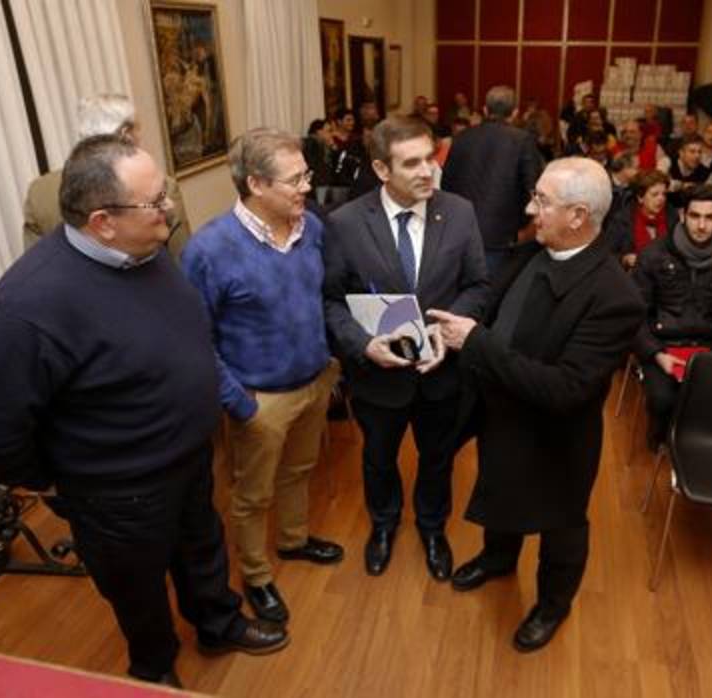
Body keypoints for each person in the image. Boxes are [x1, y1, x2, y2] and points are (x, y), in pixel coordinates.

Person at [0, 135, 286, 687]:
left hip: (187, 460)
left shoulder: (144, 251)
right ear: (102, 221)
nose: (169, 209)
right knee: (138, 590)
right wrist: (61, 480)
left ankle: (217, 622)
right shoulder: (29, 308)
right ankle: (153, 671)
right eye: (155, 202)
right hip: (118, 491)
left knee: (203, 551)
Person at [429, 157, 644, 653]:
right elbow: (492, 308)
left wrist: (475, 342)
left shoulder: (616, 296)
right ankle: (498, 559)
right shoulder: (532, 251)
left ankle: (552, 605)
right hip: (502, 412)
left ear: (578, 216)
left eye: (542, 201)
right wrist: (450, 334)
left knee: (560, 525)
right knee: (501, 488)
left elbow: (566, 388)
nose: (529, 208)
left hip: (556, 438)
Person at [182, 128, 344, 625]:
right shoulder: (208, 250)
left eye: (306, 175)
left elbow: (322, 299)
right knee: (252, 495)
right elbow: (195, 340)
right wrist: (239, 401)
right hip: (259, 399)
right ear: (255, 183)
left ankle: (293, 542)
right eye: (295, 179)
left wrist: (330, 369)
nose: (306, 188)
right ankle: (256, 575)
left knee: (300, 473)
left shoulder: (310, 227)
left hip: (314, 382)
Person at [323, 116, 491, 580]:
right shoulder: (344, 223)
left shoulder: (459, 212)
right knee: (379, 457)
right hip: (378, 378)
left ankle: (433, 529)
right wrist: (362, 346)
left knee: (437, 459)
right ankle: (383, 524)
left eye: (431, 159)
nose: (427, 172)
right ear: (381, 169)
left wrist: (446, 329)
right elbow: (331, 301)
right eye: (411, 163)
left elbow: (478, 285)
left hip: (442, 373)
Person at [632, 184, 712, 450]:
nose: (702, 225)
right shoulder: (653, 254)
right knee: (663, 400)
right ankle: (660, 437)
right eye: (695, 216)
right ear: (682, 215)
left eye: (709, 218)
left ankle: (701, 445)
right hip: (664, 345)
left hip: (709, 344)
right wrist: (656, 353)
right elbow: (634, 316)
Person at [22, 93, 190, 259]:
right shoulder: (160, 189)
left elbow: (36, 261)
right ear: (126, 133)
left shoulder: (39, 192)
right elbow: (183, 261)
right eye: (138, 128)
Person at [442, 85, 545, 274]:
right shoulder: (523, 141)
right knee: (493, 296)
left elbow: (445, 185)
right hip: (502, 238)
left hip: (459, 233)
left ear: (485, 110)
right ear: (515, 113)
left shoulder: (462, 138)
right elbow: (535, 189)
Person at [603, 169, 679, 269]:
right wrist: (624, 259)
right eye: (655, 194)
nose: (661, 199)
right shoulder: (621, 220)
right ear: (640, 197)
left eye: (664, 194)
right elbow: (606, 255)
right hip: (633, 279)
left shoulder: (672, 216)